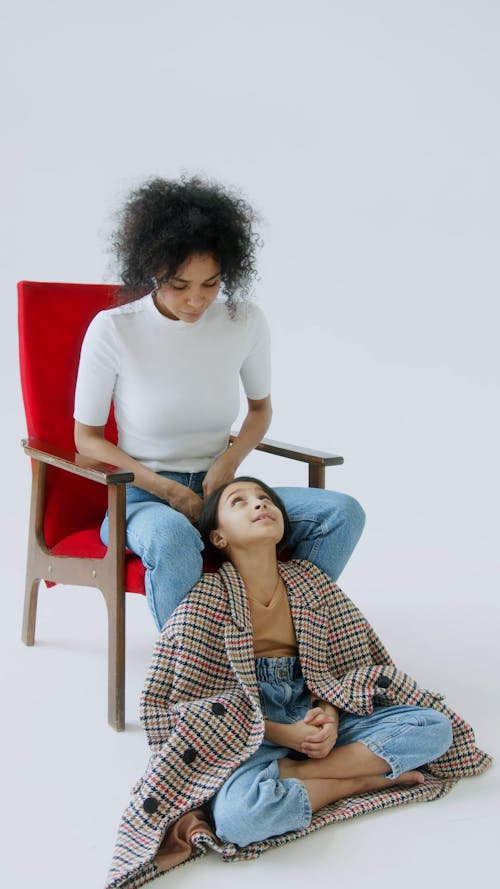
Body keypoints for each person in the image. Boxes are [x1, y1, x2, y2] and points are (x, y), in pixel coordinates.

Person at [105, 477, 490, 888]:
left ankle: (298, 775)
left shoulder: (310, 581)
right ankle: (365, 780)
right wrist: (284, 734)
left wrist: (329, 713)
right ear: (217, 536)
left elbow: (351, 660)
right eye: (240, 502)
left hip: (312, 702)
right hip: (250, 726)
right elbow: (187, 701)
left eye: (265, 499)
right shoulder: (206, 599)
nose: (259, 505)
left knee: (435, 728)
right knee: (238, 819)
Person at [74, 175, 365, 629]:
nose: (196, 300)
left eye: (211, 284)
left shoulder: (243, 322)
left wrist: (229, 464)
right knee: (171, 537)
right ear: (152, 270)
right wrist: (168, 489)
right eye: (178, 284)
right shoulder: (114, 329)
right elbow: (86, 440)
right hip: (139, 498)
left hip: (220, 494)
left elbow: (260, 410)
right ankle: (190, 668)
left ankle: (283, 637)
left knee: (341, 513)